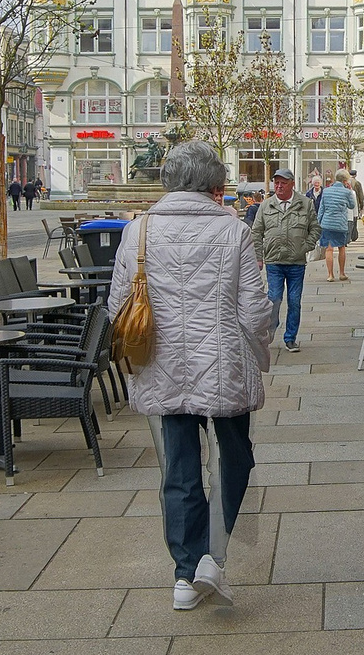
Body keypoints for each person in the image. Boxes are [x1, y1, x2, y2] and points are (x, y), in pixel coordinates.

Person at [109, 141, 273, 611]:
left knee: (178, 471)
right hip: (222, 367)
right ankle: (212, 558)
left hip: (160, 367)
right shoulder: (233, 231)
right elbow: (254, 312)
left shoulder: (136, 232)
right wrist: (261, 355)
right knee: (235, 459)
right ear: (213, 185)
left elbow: (118, 306)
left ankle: (185, 573)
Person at [250, 168, 319, 353]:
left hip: (296, 262)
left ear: (292, 184)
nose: (279, 186)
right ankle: (270, 330)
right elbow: (256, 232)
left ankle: (290, 338)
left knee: (294, 301)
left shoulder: (305, 204)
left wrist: (306, 246)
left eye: (283, 183)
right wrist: (259, 256)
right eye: (276, 183)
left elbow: (315, 229)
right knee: (274, 299)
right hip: (274, 261)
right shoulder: (266, 205)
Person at [316, 169, 357, 282]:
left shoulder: (326, 191)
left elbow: (321, 208)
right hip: (340, 224)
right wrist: (349, 191)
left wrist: (318, 222)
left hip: (327, 223)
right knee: (341, 248)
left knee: (329, 249)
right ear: (345, 181)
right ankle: (342, 273)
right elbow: (352, 205)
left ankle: (330, 275)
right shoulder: (347, 192)